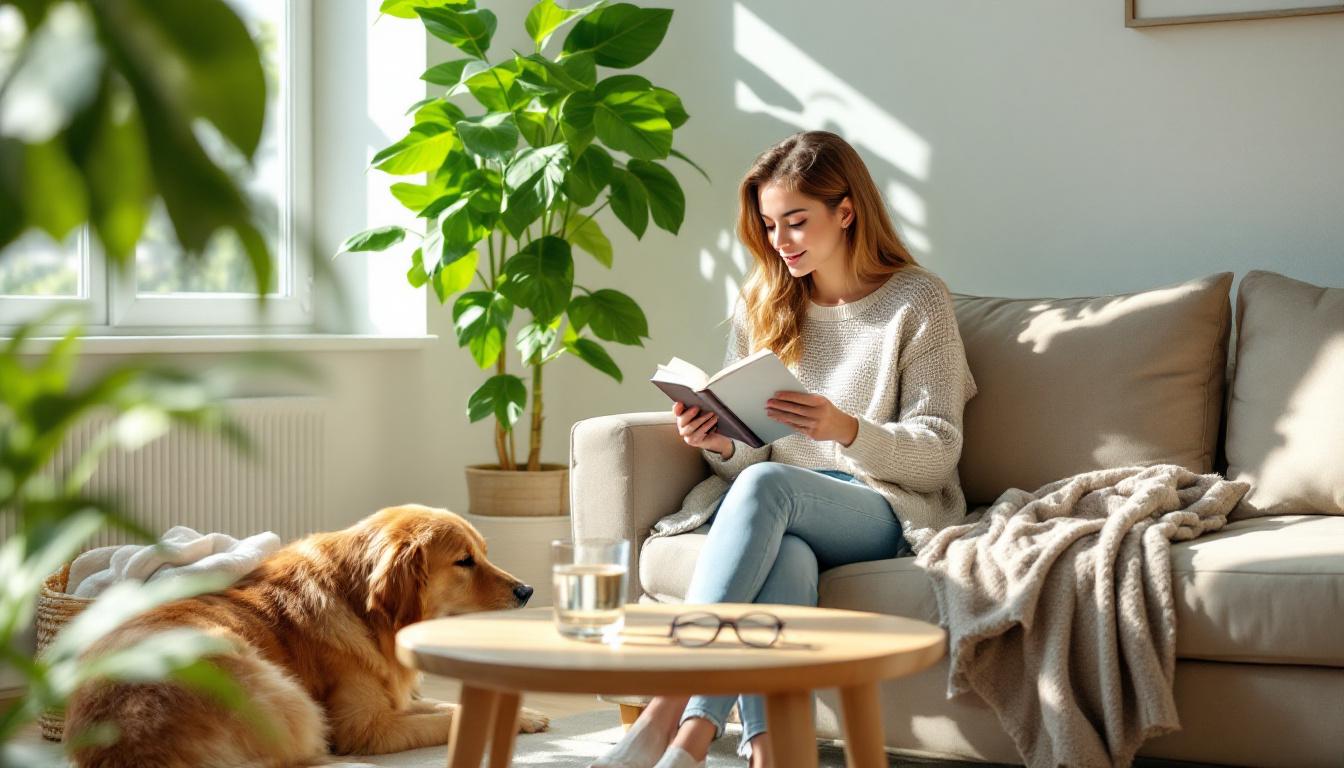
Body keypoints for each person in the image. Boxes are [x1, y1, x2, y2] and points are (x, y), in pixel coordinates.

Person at [591, 130, 978, 768]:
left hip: (883, 507)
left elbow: (938, 451)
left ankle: (668, 708)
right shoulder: (766, 303)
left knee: (768, 491)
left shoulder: (917, 301)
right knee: (788, 560)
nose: (781, 242)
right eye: (770, 226)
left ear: (846, 211)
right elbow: (754, 459)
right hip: (782, 507)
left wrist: (847, 429)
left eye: (796, 223)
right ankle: (760, 750)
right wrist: (718, 440)